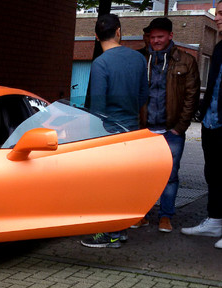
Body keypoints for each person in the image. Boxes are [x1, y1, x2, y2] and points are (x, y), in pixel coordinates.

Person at [81, 14, 149, 248]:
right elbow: (143, 97)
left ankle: (106, 235)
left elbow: (98, 105)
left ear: (96, 36)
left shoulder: (101, 63)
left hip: (108, 132)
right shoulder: (139, 59)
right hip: (130, 130)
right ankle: (120, 231)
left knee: (104, 186)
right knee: (122, 186)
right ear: (119, 32)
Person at [131, 17, 200, 233]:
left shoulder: (186, 61)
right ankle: (141, 215)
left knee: (170, 175)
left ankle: (165, 216)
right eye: (152, 37)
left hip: (172, 130)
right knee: (142, 174)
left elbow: (192, 96)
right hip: (144, 129)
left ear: (170, 36)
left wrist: (180, 127)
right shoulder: (140, 59)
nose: (155, 41)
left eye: (160, 36)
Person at [181, 0, 222, 249]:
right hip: (211, 122)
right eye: (217, 13)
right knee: (214, 174)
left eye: (221, 13)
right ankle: (215, 220)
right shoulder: (219, 48)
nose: (217, 18)